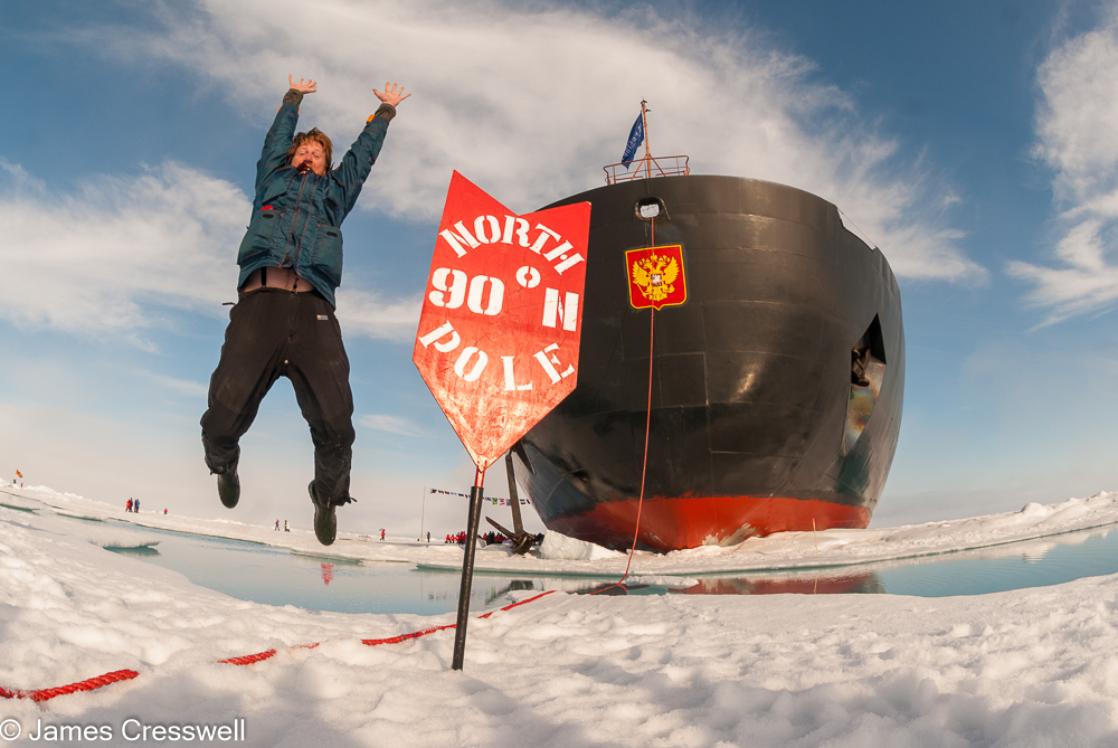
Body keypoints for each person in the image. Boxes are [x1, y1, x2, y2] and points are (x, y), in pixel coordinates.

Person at [199, 74, 410, 546]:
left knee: (337, 424)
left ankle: (326, 496)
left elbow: (362, 160)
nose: (308, 154)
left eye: (317, 152)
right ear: (290, 157)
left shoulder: (334, 198)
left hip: (314, 310)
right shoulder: (271, 182)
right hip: (261, 305)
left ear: (327, 165)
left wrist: (384, 114)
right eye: (302, 150)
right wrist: (292, 100)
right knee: (223, 415)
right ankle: (224, 462)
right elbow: (275, 140)